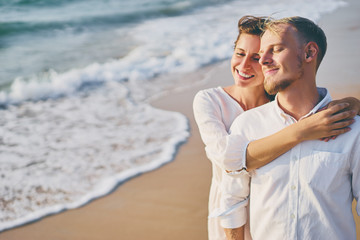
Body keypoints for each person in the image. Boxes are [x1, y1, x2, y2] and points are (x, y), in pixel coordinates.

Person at [193, 16, 360, 240]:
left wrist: (354, 104)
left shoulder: (347, 126)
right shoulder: (237, 118)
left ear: (310, 53)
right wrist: (303, 130)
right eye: (243, 54)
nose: (261, 61)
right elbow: (230, 180)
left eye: (273, 51)